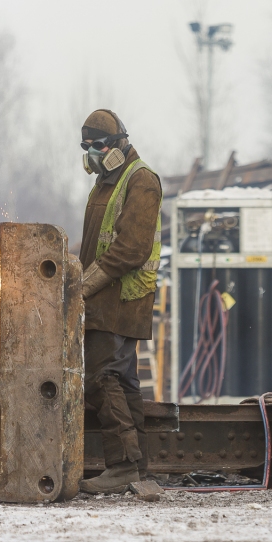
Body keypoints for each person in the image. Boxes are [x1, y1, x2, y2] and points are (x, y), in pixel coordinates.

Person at [77, 109, 163, 494]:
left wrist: (83, 286)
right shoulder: (104, 183)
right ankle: (137, 468)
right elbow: (96, 244)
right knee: (124, 382)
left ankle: (123, 466)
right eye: (86, 147)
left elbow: (131, 248)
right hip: (103, 298)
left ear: (119, 143)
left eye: (98, 145)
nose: (92, 154)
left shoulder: (141, 180)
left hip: (122, 298)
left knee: (101, 378)